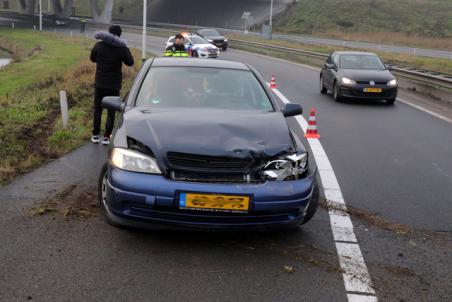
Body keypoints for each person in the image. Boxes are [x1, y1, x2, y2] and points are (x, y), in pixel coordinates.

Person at [90, 25, 134, 145]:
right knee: (111, 111)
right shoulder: (122, 48)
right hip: (114, 84)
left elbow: (92, 59)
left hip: (100, 82)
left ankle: (95, 135)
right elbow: (130, 62)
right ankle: (106, 137)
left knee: (98, 109)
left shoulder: (99, 45)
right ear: (120, 35)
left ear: (108, 33)